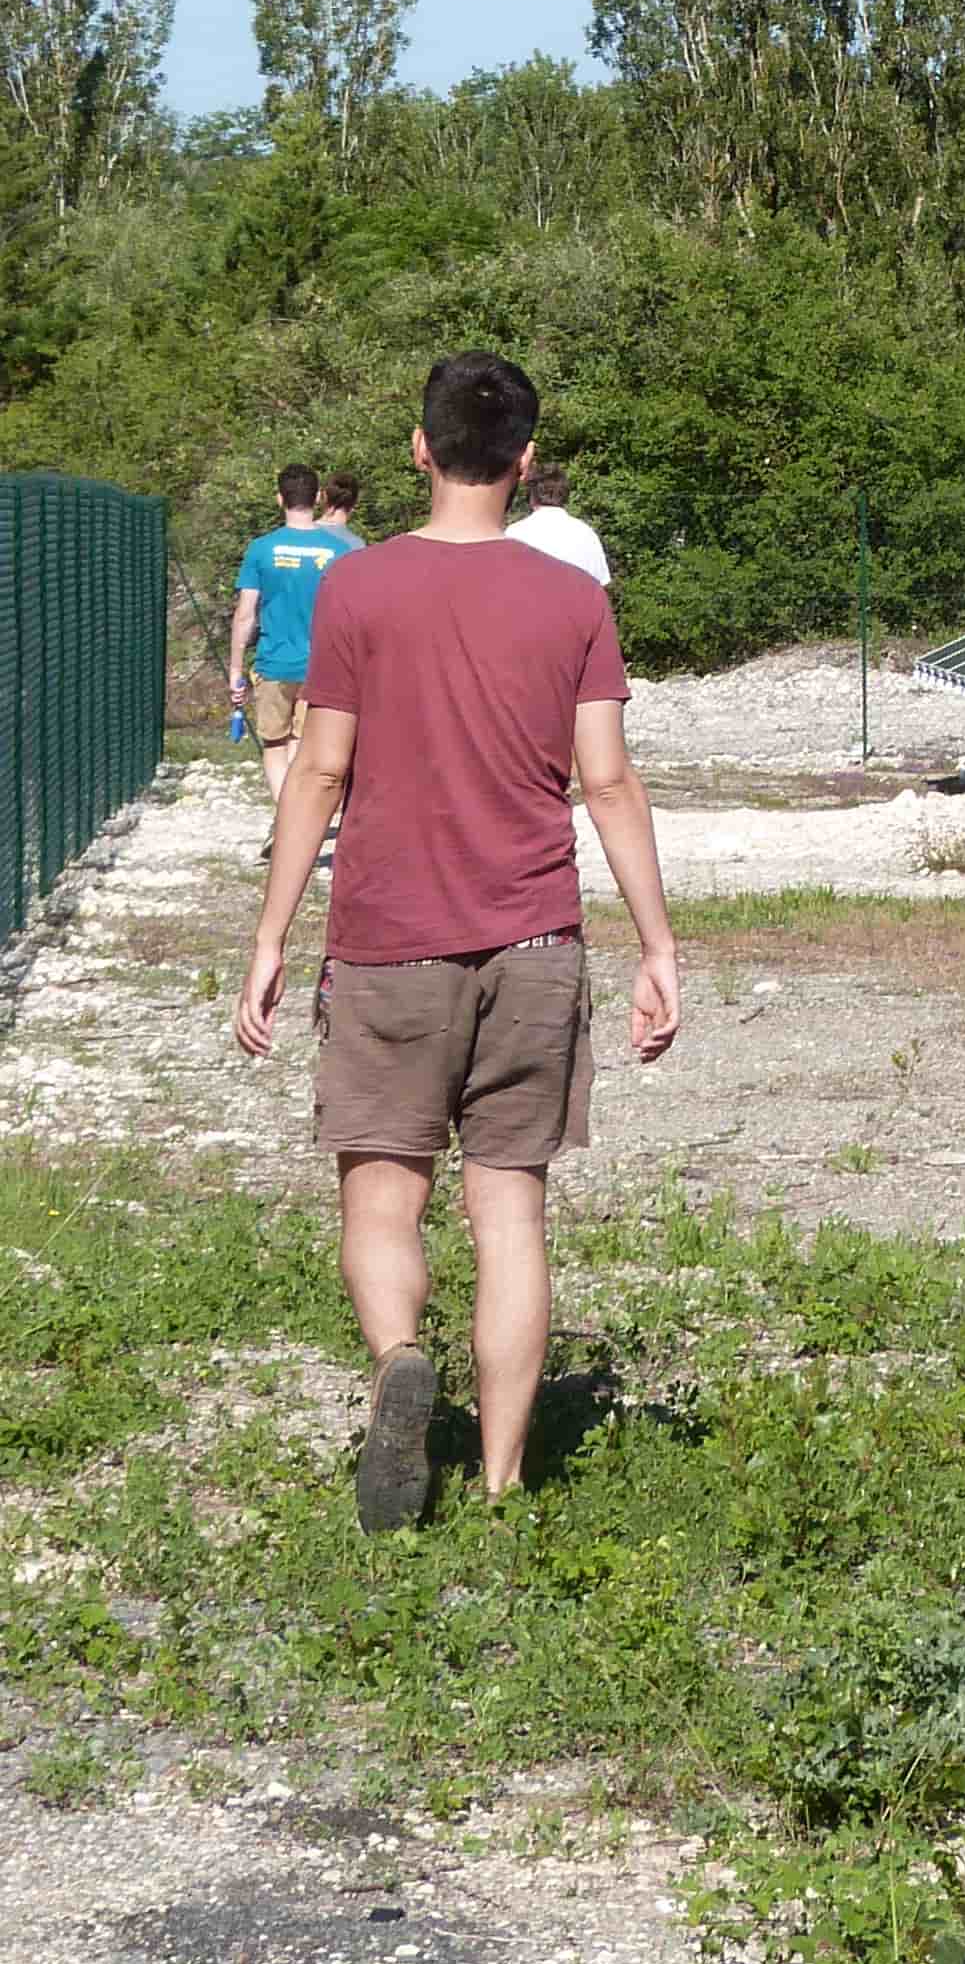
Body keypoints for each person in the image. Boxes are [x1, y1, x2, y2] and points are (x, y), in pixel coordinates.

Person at [231, 351, 681, 1532]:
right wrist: (658, 945)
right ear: (526, 462)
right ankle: (500, 1482)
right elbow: (609, 780)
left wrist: (272, 934)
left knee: (382, 1203)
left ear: (418, 451)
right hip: (532, 940)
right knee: (511, 1214)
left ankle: (397, 1365)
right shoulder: (572, 598)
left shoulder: (359, 592)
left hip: (388, 944)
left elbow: (321, 766)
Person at [227, 465, 342, 810]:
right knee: (301, 743)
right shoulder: (339, 551)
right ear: (319, 497)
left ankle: (284, 815)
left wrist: (235, 670)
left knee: (274, 744)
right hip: (320, 668)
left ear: (280, 499)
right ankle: (294, 817)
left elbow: (246, 613)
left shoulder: (261, 549)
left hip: (273, 663)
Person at [508, 461, 609, 587]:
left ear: (532, 495)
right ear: (565, 495)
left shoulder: (514, 534)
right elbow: (601, 585)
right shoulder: (587, 534)